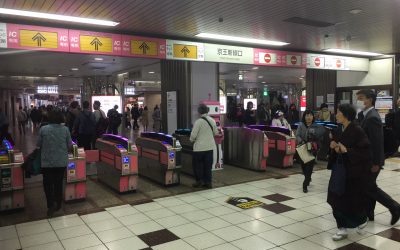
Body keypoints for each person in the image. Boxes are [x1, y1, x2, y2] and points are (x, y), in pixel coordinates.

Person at [356, 89, 400, 225]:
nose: (358, 101)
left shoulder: (373, 117)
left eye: (361, 98)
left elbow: (377, 143)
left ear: (369, 100)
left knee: (369, 187)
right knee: (368, 187)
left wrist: (376, 163)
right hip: (367, 160)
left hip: (372, 161)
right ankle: (369, 214)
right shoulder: (364, 115)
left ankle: (395, 207)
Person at [328, 104, 370, 241]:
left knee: (349, 201)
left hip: (352, 174)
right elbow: (336, 144)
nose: (336, 114)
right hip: (339, 171)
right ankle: (341, 228)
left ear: (345, 114)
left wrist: (348, 151)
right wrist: (334, 146)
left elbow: (365, 152)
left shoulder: (357, 130)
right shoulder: (339, 129)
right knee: (334, 198)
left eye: (338, 112)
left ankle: (362, 220)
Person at [37, 109, 72, 217]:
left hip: (47, 162)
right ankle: (58, 203)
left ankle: (50, 204)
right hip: (61, 162)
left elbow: (38, 144)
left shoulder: (43, 129)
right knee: (58, 182)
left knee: (47, 184)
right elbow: (69, 146)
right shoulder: (65, 129)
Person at [190, 104, 219, 188]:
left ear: (199, 112)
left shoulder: (198, 122)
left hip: (199, 148)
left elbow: (193, 135)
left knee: (198, 166)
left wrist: (191, 140)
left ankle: (199, 181)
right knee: (208, 166)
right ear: (207, 111)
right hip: (210, 147)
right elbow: (216, 133)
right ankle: (208, 182)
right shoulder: (212, 120)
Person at [296, 110, 319, 193]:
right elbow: (297, 135)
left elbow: (319, 137)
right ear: (304, 117)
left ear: (313, 117)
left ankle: (305, 184)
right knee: (304, 166)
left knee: (309, 167)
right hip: (302, 148)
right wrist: (301, 141)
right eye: (307, 115)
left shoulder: (315, 126)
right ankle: (308, 177)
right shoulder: (301, 125)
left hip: (312, 149)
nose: (308, 117)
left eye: (310, 115)